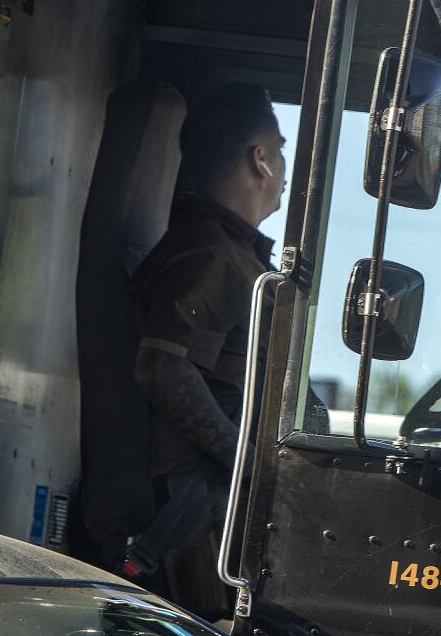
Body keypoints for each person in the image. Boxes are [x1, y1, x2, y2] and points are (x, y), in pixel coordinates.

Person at [127, 82, 291, 618]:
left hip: (218, 515)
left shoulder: (237, 258)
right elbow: (162, 366)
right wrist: (249, 463)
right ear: (259, 160)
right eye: (282, 150)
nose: (287, 168)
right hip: (201, 522)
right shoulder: (211, 253)